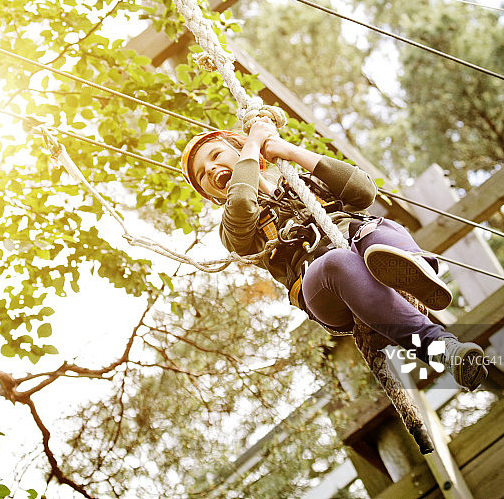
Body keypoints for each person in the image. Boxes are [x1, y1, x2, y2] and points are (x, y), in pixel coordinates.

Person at [181, 118, 488, 390]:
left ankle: (420, 276)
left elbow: (364, 192)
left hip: (361, 245)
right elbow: (241, 206)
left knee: (377, 231)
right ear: (211, 195)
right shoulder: (232, 228)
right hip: (321, 285)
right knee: (337, 262)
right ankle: (437, 346)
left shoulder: (302, 184)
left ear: (238, 149)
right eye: (203, 176)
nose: (209, 169)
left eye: (216, 155)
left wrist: (286, 150)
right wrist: (252, 143)